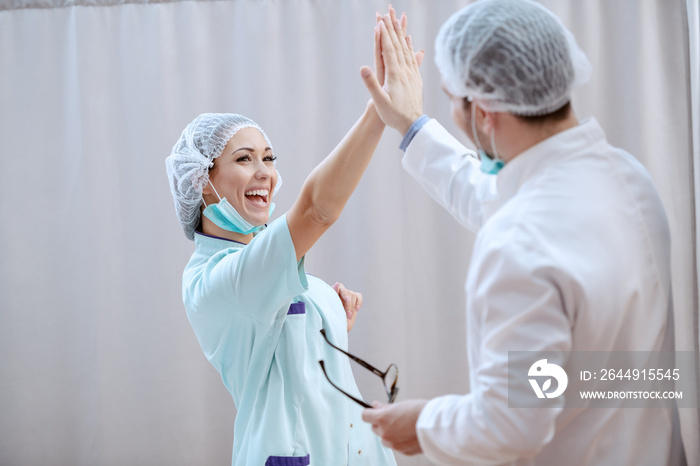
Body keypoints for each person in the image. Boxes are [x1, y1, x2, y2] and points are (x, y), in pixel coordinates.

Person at [360, 2, 684, 465]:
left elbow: (508, 427)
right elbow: (498, 197)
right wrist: (412, 126)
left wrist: (423, 423)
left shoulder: (518, 239)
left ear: (485, 111)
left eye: (453, 98)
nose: (453, 112)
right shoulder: (628, 178)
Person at [163, 44, 418, 463]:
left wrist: (329, 315)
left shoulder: (261, 265)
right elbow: (317, 211)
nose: (265, 171)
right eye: (243, 159)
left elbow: (288, 355)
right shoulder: (218, 279)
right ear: (199, 181)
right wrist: (380, 110)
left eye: (268, 158)